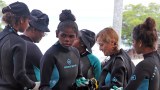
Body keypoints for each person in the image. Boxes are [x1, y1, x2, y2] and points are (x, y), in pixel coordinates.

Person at [40, 9, 88, 90]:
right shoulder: (50, 55)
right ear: (57, 33)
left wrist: (83, 83)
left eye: (71, 36)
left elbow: (79, 77)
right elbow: (44, 86)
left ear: (76, 36)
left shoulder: (75, 52)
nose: (67, 39)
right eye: (63, 35)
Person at [0, 1, 38, 90]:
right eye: (28, 20)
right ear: (21, 20)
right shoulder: (19, 42)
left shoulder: (1, 36)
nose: (28, 24)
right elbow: (19, 74)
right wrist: (33, 85)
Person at [124, 17, 160, 90]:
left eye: (133, 41)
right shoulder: (157, 59)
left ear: (140, 43)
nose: (132, 45)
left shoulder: (144, 65)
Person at [20, 9, 50, 82]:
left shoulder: (15, 41)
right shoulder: (30, 47)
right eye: (43, 32)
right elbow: (48, 69)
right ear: (33, 29)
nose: (43, 35)